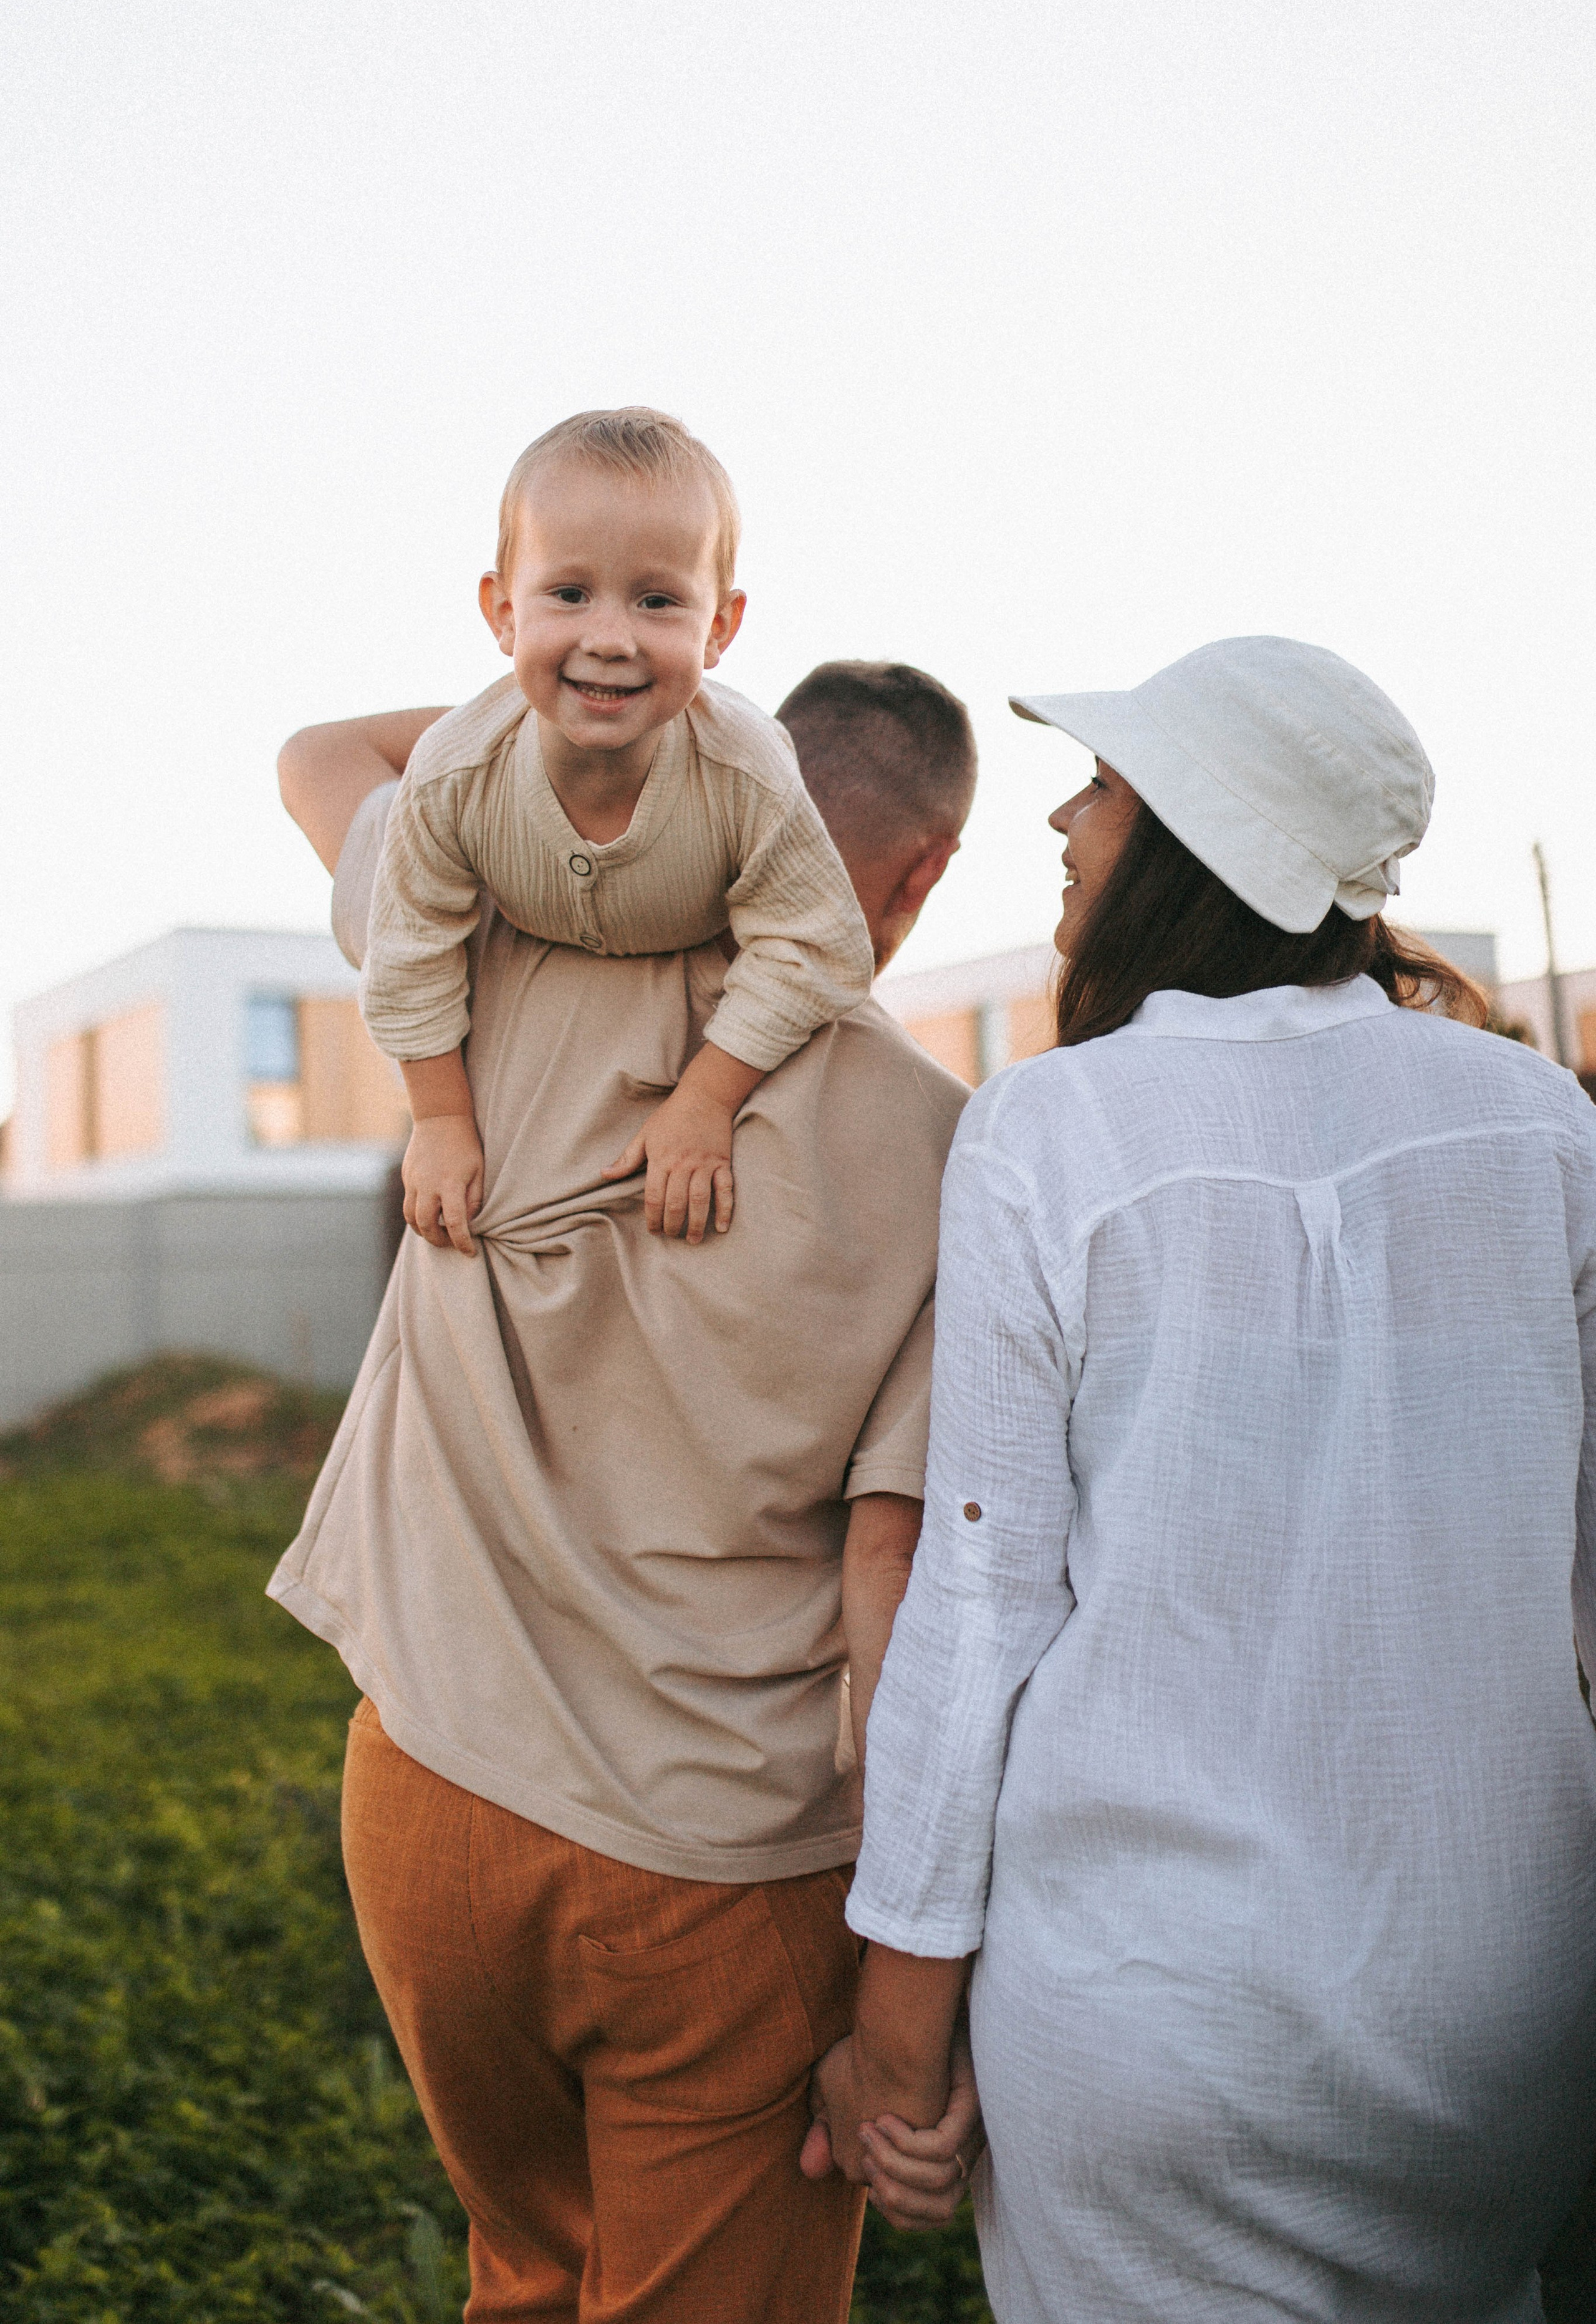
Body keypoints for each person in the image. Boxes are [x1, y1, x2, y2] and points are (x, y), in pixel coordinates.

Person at [811, 637, 1596, 2320]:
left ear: (1201, 835)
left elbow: (980, 1596)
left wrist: (894, 2040)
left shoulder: (1050, 1128)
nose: (1066, 815)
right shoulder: (1547, 1128)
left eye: (1106, 783)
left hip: (1153, 2026)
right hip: (1518, 2021)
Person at [270, 656, 983, 2322]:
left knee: (527, 2273)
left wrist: (614, 674)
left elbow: (322, 751)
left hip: (429, 1797)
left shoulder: (485, 961)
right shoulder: (956, 1151)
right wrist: (901, 2004)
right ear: (928, 869)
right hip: (720, 1871)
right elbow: (894, 1581)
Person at [363, 407, 873, 1254]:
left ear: (719, 629)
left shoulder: (747, 770)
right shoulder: (452, 771)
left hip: (692, 940)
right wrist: (441, 1118)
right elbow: (411, 954)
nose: (609, 639)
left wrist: (706, 1099)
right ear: (502, 612)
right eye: (568, 594)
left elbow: (817, 947)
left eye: (658, 601)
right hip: (505, 925)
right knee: (354, 850)